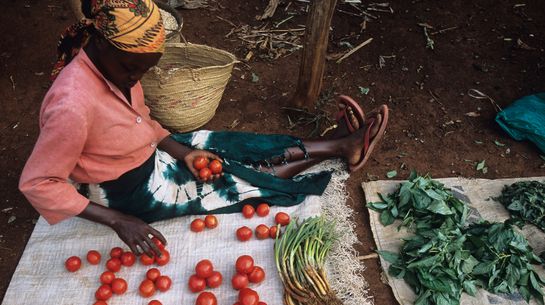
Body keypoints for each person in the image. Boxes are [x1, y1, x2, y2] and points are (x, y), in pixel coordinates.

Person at [19, 0, 388, 258]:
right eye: (132, 69)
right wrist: (118, 220)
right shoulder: (72, 106)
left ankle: (333, 143)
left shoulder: (117, 67)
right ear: (100, 42)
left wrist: (182, 152)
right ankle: (340, 149)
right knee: (235, 180)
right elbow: (38, 183)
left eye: (142, 71)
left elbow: (141, 120)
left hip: (148, 153)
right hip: (127, 190)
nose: (136, 79)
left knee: (228, 144)